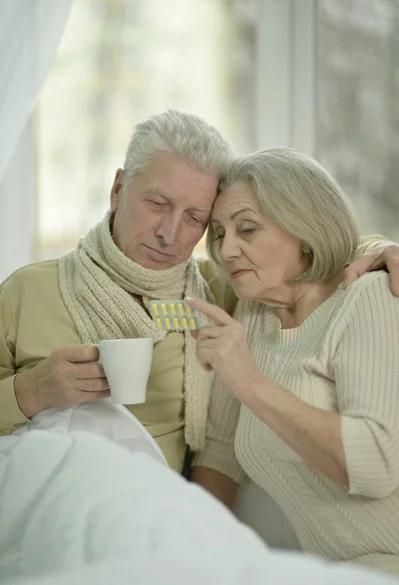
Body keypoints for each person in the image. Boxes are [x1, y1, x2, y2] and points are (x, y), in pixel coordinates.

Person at [0, 112, 398, 475]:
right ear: (118, 189)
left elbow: (306, 260)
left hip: (149, 510)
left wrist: (379, 250)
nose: (169, 234)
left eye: (195, 219)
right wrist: (28, 392)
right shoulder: (27, 290)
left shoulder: (221, 291)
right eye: (157, 203)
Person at [189, 148, 399, 576]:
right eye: (218, 232)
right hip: (342, 574)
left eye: (247, 229)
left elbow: (376, 462)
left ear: (305, 229)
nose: (227, 249)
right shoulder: (252, 313)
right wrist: (189, 555)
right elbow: (223, 451)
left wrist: (247, 381)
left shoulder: (369, 296)